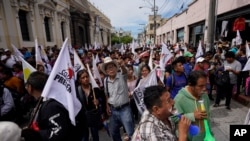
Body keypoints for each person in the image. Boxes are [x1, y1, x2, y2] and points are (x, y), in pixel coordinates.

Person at [25, 71, 76, 141]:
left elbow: (58, 133)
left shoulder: (51, 106)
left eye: (26, 85)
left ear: (30, 87)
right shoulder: (40, 102)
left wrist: (36, 134)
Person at [102, 57, 134, 141]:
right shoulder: (105, 81)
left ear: (116, 68)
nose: (111, 69)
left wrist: (122, 65)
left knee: (130, 132)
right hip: (113, 110)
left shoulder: (122, 76)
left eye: (113, 66)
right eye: (108, 68)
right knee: (114, 132)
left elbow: (125, 72)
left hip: (124, 109)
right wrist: (107, 106)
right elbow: (107, 94)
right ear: (106, 71)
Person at [174, 71, 212, 141]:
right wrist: (192, 116)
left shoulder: (205, 95)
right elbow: (174, 119)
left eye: (205, 85)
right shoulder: (179, 99)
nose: (204, 89)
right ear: (191, 85)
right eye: (200, 86)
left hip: (206, 137)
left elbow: (208, 116)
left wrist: (210, 132)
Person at [76, 69, 103, 141]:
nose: (86, 79)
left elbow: (101, 98)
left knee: (95, 136)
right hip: (83, 118)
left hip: (93, 116)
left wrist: (98, 101)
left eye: (87, 77)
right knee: (84, 137)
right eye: (83, 78)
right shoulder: (77, 91)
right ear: (79, 80)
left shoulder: (94, 88)